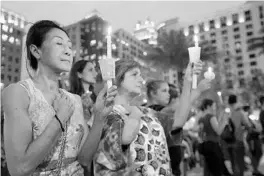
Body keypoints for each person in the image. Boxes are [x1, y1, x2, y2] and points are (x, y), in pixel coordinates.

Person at [1, 20, 117, 176]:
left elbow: (84, 159)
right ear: (36, 51)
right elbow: (19, 169)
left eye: (70, 46)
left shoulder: (75, 99)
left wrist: (99, 118)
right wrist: (59, 119)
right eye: (59, 44)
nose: (69, 51)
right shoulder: (18, 93)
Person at [93, 59, 211, 176]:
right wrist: (135, 112)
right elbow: (124, 138)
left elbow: (178, 121)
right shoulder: (105, 113)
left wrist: (187, 81)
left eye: (140, 75)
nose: (141, 80)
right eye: (134, 74)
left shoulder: (148, 112)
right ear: (117, 79)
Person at [198, 99, 232, 176]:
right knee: (217, 170)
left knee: (209, 169)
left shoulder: (202, 118)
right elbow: (218, 131)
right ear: (208, 106)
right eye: (214, 106)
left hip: (205, 145)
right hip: (213, 145)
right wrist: (224, 121)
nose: (215, 108)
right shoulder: (211, 117)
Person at [227, 94, 252, 176]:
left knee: (233, 163)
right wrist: (244, 128)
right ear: (236, 101)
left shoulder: (227, 113)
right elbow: (248, 125)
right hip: (238, 140)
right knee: (240, 163)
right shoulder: (240, 113)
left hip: (228, 141)